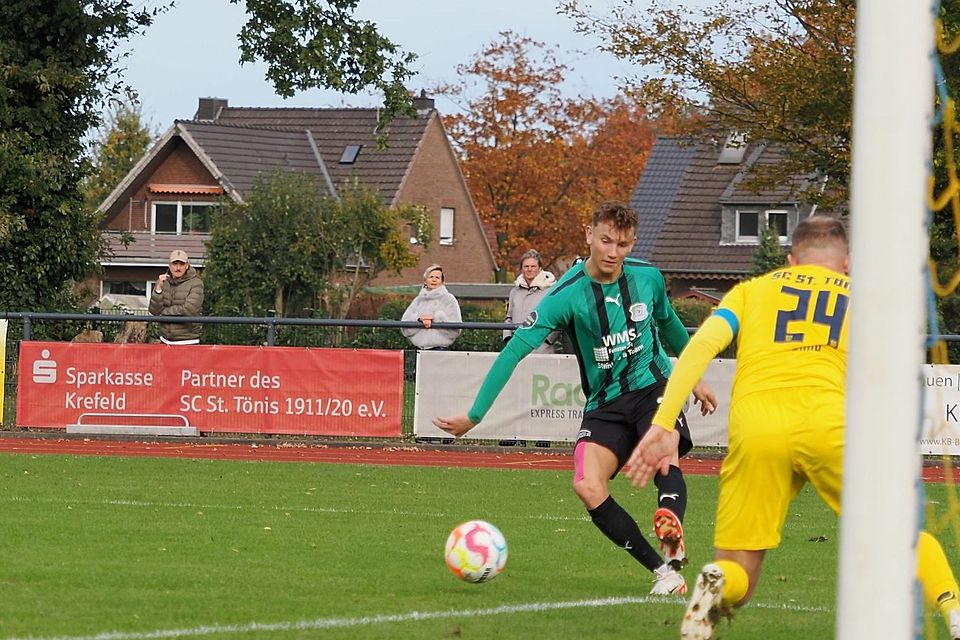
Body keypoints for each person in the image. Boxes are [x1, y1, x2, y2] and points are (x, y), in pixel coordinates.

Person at [624, 216, 960, 640]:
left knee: (739, 572)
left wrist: (663, 422)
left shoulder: (751, 291)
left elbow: (700, 347)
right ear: (848, 263)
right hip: (829, 424)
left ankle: (717, 581)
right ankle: (953, 608)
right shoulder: (866, 297)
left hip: (756, 427)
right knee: (901, 532)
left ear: (790, 258)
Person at [433, 201, 717, 595]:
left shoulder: (648, 279)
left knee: (662, 449)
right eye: (605, 241)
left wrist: (694, 376)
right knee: (587, 485)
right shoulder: (564, 295)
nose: (613, 252)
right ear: (589, 235)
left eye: (622, 244)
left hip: (655, 387)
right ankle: (664, 572)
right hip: (604, 403)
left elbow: (668, 324)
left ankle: (670, 524)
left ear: (632, 243)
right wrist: (475, 415)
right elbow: (515, 349)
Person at [503, 249, 560, 354]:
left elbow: (557, 319)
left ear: (539, 268)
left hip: (541, 349)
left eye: (533, 266)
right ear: (522, 269)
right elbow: (508, 317)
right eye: (526, 266)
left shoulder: (550, 291)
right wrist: (508, 338)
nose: (529, 269)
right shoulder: (514, 292)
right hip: (516, 347)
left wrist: (547, 341)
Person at [149, 249, 204, 345]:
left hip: (188, 341)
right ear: (169, 265)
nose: (178, 268)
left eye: (181, 264)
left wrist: (163, 313)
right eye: (175, 264)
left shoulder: (196, 283)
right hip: (165, 340)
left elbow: (189, 309)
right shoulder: (162, 282)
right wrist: (158, 289)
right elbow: (154, 311)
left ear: (187, 266)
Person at [401, 264, 462, 350]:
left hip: (440, 350)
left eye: (437, 278)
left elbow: (456, 330)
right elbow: (405, 328)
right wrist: (419, 320)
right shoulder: (418, 300)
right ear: (425, 281)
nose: (434, 280)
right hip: (418, 350)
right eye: (431, 277)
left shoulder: (449, 299)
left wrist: (436, 319)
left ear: (442, 281)